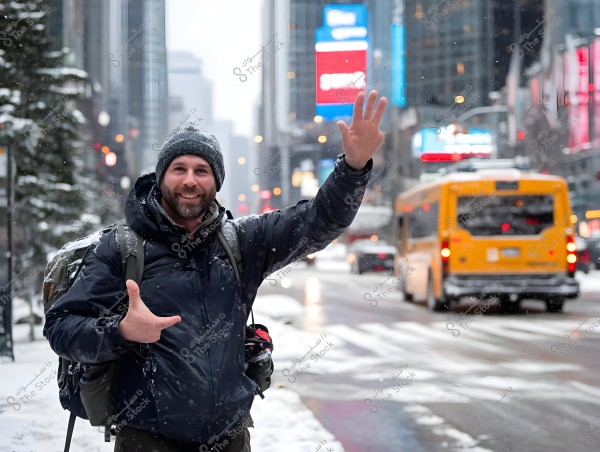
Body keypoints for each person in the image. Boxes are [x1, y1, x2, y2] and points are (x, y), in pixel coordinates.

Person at [43, 90, 387, 451]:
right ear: (161, 178)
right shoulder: (121, 248)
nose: (190, 180)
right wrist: (121, 331)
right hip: (146, 440)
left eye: (201, 171)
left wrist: (353, 167)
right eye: (179, 169)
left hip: (230, 439)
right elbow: (62, 328)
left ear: (216, 181)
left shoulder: (241, 241)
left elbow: (318, 223)